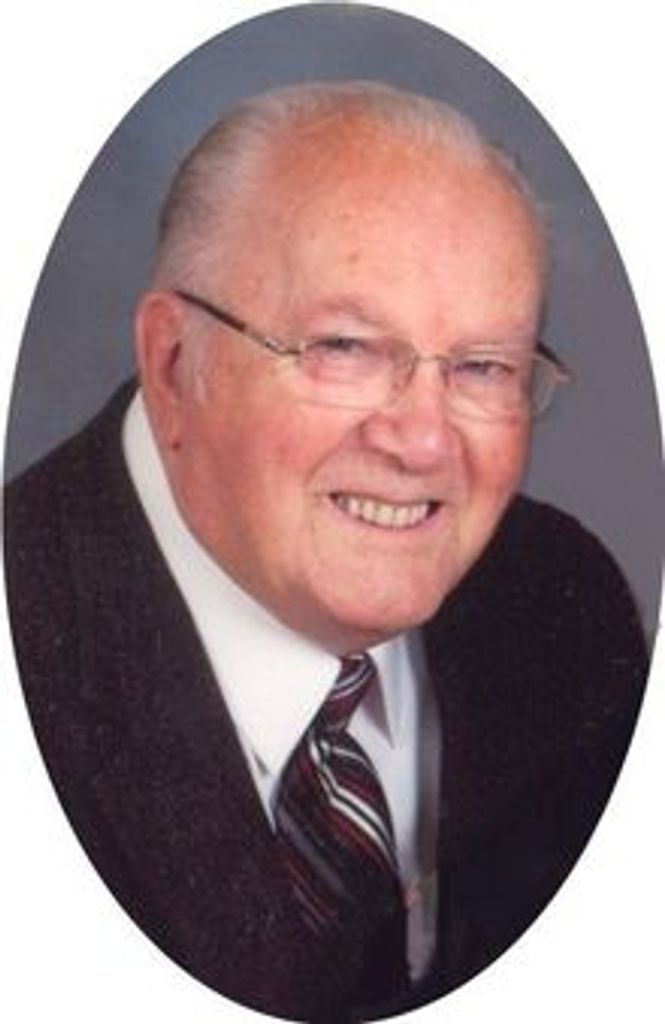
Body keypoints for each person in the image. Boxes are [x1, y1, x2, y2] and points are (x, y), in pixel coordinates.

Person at [4, 81, 647, 1022]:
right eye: (344, 348)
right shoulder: (28, 636)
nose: (422, 441)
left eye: (483, 367)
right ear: (173, 363)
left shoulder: (565, 606)